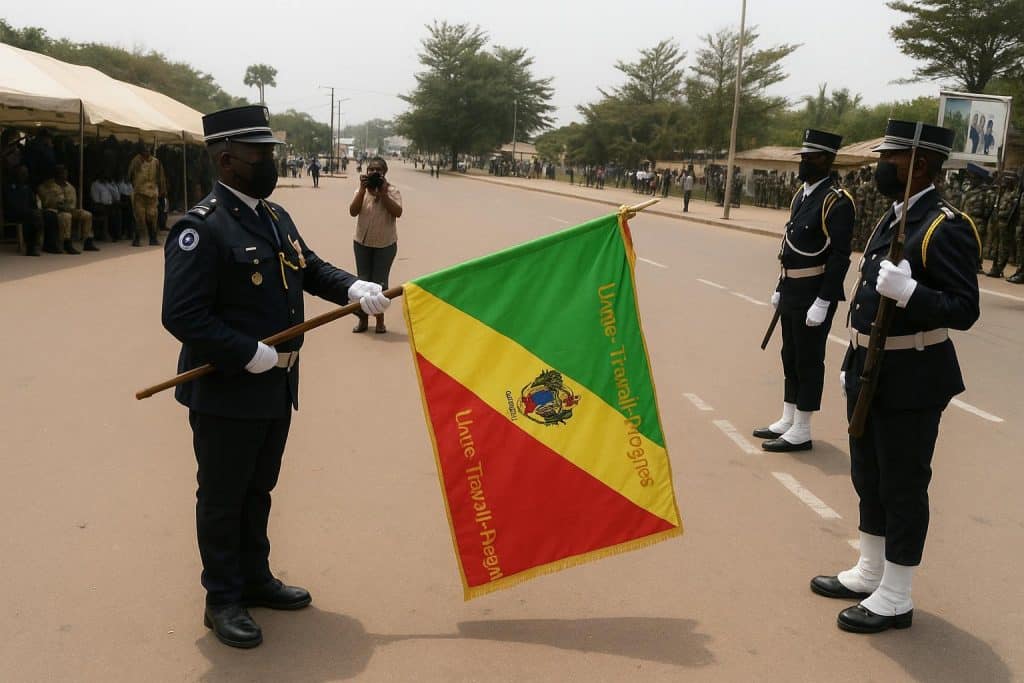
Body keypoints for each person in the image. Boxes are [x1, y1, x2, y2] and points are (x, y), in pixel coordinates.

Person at [161, 105, 390, 650]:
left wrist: (354, 287)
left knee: (259, 488)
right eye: (259, 153)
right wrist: (245, 352)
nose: (269, 161)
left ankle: (255, 577)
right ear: (226, 159)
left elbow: (308, 267)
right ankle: (222, 597)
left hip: (276, 384)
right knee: (223, 494)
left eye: (270, 152)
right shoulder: (202, 227)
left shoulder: (274, 216)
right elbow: (183, 314)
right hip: (228, 387)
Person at [811, 120, 980, 634]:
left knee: (903, 483)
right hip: (871, 366)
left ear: (919, 165)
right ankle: (870, 570)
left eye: (891, 158)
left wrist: (913, 294)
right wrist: (853, 363)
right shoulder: (898, 215)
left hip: (912, 374)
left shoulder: (943, 225)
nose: (880, 164)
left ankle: (897, 595)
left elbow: (964, 308)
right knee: (868, 474)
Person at [753, 130, 854, 452]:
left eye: (810, 158)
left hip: (814, 290)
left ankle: (803, 429)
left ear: (826, 160)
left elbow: (839, 256)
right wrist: (781, 286)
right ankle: (788, 417)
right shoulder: (803, 195)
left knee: (809, 359)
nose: (804, 163)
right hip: (793, 286)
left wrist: (824, 300)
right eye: (803, 157)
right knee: (790, 354)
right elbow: (791, 246)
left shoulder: (836, 201)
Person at [348, 156, 403, 334]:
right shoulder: (361, 190)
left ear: (384, 173)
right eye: (370, 169)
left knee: (380, 285)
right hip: (361, 243)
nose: (373, 172)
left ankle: (380, 321)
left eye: (378, 170)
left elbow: (398, 212)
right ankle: (363, 320)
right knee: (362, 283)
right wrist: (363, 190)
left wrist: (383, 194)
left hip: (385, 245)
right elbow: (353, 211)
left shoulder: (392, 190)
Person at [37, 164, 98, 254]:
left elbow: (73, 202)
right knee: (66, 216)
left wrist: (69, 207)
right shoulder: (48, 186)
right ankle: (66, 243)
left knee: (87, 215)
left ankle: (88, 241)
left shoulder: (70, 187)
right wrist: (59, 205)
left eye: (65, 173)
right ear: (56, 174)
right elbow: (47, 202)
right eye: (61, 173)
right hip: (54, 210)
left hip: (69, 209)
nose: (64, 176)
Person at [127, 143, 167, 246]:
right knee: (139, 216)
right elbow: (129, 175)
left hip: (152, 193)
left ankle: (152, 238)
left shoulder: (156, 162)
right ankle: (137, 239)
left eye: (148, 150)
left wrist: (162, 189)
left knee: (152, 216)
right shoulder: (135, 161)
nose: (147, 152)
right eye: (145, 150)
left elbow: (161, 176)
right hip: (139, 193)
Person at [3, 164, 43, 256]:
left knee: (44, 214)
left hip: (27, 212)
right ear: (16, 173)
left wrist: (36, 210)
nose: (25, 175)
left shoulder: (27, 188)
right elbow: (11, 204)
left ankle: (43, 244)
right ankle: (31, 247)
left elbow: (33, 203)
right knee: (32, 216)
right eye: (22, 173)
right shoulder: (10, 187)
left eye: (26, 173)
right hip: (14, 213)